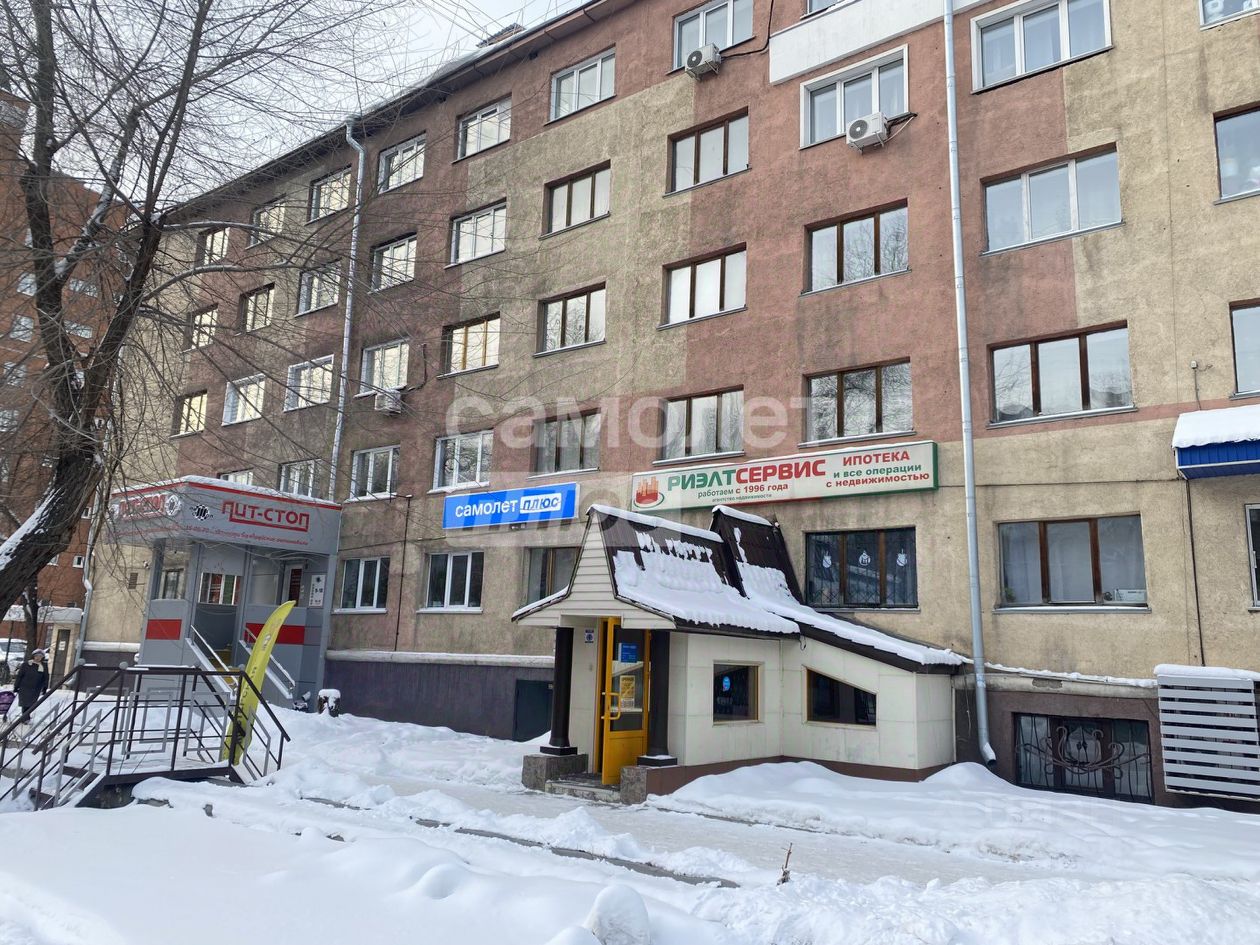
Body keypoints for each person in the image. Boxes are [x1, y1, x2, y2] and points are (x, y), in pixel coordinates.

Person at [12, 649, 48, 725]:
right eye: (36, 656)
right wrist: (16, 686)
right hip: (24, 687)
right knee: (24, 703)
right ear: (33, 656)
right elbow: (20, 676)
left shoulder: (43, 666)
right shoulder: (26, 664)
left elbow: (46, 677)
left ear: (42, 657)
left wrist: (45, 687)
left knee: (32, 704)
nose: (38, 658)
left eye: (40, 656)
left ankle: (25, 717)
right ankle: (25, 718)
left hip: (36, 689)